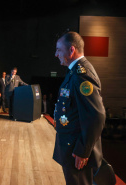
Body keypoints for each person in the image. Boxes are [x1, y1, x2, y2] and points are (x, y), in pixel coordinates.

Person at [53, 31, 105, 185]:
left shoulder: (82, 74)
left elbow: (96, 116)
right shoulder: (74, 72)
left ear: (71, 50)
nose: (56, 54)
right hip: (71, 146)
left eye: (58, 50)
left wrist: (83, 150)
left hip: (77, 151)